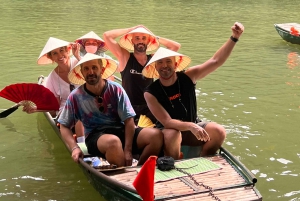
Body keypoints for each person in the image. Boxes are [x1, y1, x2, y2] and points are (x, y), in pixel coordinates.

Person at [143, 22, 245, 158]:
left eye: (168, 61)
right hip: (169, 132)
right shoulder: (150, 92)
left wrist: (234, 37)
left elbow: (216, 61)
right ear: (155, 67)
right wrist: (190, 126)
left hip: (193, 127)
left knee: (219, 131)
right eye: (160, 63)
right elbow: (167, 122)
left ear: (175, 64)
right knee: (173, 133)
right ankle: (173, 164)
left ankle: (204, 158)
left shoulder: (189, 76)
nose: (164, 66)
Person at [58, 53, 166, 167]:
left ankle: (139, 168)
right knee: (113, 142)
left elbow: (129, 120)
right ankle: (122, 173)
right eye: (86, 69)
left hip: (120, 130)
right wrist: (74, 148)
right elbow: (64, 125)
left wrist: (128, 150)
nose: (90, 72)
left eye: (94, 67)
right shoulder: (76, 96)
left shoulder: (116, 89)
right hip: (96, 136)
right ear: (82, 72)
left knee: (156, 135)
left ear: (101, 69)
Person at [103, 25, 181, 124]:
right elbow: (107, 36)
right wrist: (130, 30)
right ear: (132, 41)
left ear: (148, 42)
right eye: (137, 38)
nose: (140, 41)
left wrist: (154, 37)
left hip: (150, 107)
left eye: (144, 38)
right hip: (128, 107)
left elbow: (175, 46)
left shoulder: (154, 59)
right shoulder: (125, 57)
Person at [23, 37, 85, 142]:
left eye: (62, 50)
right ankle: (82, 144)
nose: (60, 55)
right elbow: (54, 106)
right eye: (55, 53)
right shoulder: (52, 78)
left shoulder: (79, 63)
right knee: (78, 111)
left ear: (67, 50)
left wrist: (78, 56)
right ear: (51, 57)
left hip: (88, 104)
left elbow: (95, 74)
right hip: (66, 110)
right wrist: (35, 109)